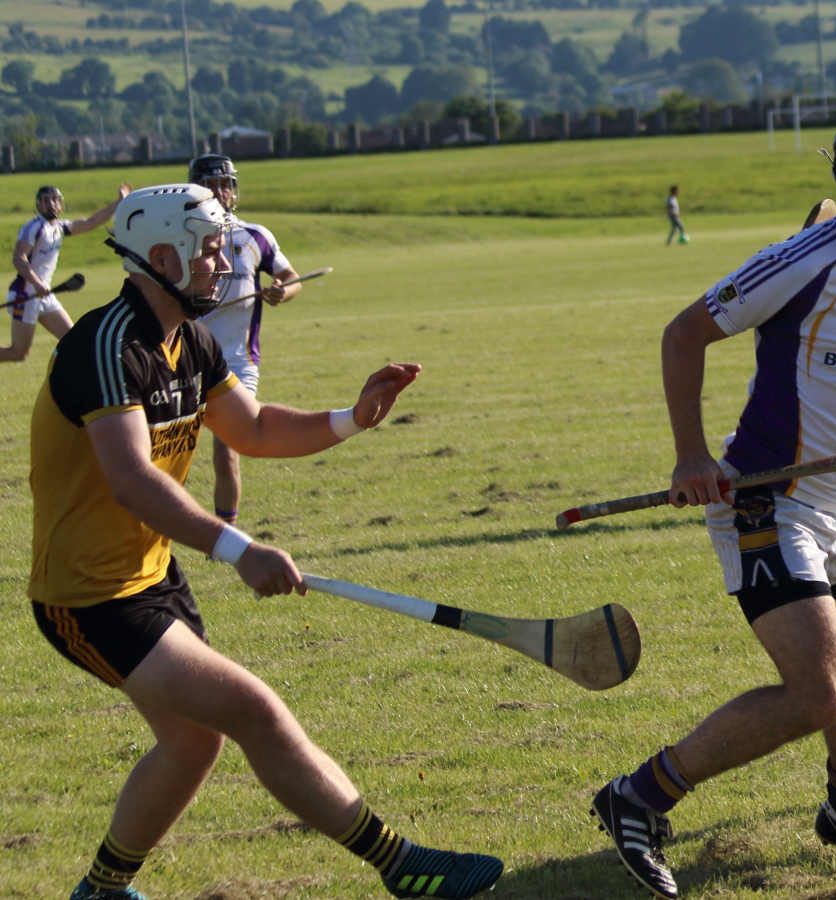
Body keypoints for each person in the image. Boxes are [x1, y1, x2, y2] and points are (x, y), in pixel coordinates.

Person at [30, 184, 503, 900]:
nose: (223, 264)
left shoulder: (190, 340)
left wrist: (352, 418)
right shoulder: (107, 345)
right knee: (254, 711)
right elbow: (130, 480)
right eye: (211, 250)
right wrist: (237, 549)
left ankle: (100, 891)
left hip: (148, 578)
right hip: (89, 595)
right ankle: (403, 866)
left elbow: (251, 428)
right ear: (162, 257)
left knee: (195, 741)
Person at [589, 115, 836, 900]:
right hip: (766, 503)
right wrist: (691, 455)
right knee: (821, 694)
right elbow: (683, 334)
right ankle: (637, 798)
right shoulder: (806, 260)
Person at [189, 154, 303, 527]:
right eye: (211, 184)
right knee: (170, 454)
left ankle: (226, 536)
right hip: (187, 359)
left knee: (227, 453)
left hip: (237, 362)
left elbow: (292, 278)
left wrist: (280, 293)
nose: (221, 191)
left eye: (225, 183)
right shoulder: (183, 237)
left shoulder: (255, 236)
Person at [2, 182, 131, 363]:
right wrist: (37, 283)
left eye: (55, 200)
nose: (51, 204)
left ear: (61, 204)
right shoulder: (33, 228)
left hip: (44, 294)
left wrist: (119, 202)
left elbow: (91, 222)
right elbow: (18, 258)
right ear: (38, 205)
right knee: (18, 354)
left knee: (73, 341)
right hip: (26, 293)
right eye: (46, 200)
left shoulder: (60, 227)